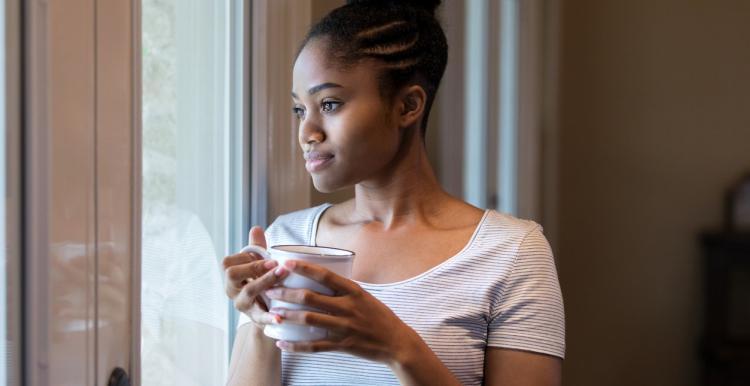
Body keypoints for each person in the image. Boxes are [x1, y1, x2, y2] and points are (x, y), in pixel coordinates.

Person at [222, 1, 564, 385]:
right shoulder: (285, 241)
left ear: (408, 106)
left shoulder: (511, 253)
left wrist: (396, 346)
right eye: (300, 110)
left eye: (329, 104)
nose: (307, 133)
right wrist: (259, 320)